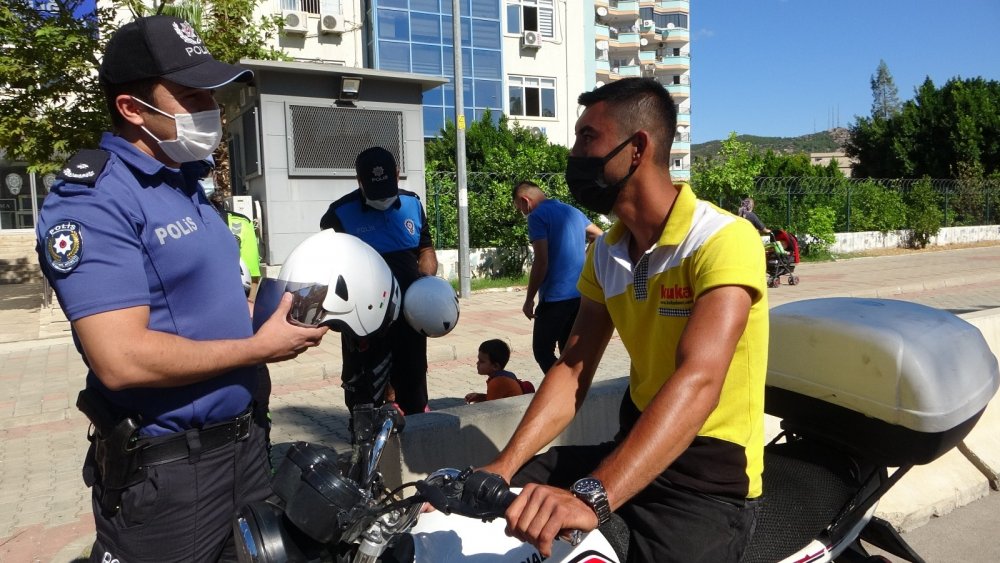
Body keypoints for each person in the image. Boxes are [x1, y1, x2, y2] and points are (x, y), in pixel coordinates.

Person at [34, 15, 328, 562]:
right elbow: (120, 359)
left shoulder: (185, 182)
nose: (209, 110)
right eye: (190, 95)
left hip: (244, 449)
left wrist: (265, 311)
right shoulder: (94, 201)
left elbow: (193, 301)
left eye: (210, 95)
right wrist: (258, 348)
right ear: (132, 109)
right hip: (171, 474)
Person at [482, 77, 769, 562]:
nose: (574, 154)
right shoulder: (607, 253)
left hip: (707, 479)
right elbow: (573, 369)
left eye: (587, 138)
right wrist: (503, 467)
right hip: (632, 446)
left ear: (636, 148)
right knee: (489, 506)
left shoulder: (722, 239)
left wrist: (593, 496)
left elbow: (698, 380)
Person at [320, 146, 438, 415]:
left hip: (410, 319)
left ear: (397, 175)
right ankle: (367, 451)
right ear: (359, 181)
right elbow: (329, 266)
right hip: (365, 326)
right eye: (373, 188)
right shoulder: (338, 215)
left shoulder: (412, 204)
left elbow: (425, 249)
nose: (382, 197)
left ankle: (414, 451)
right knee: (365, 402)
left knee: (414, 394)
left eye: (387, 185)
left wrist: (426, 280)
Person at [512, 181, 602, 375]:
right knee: (567, 352)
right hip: (579, 295)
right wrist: (585, 259)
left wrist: (529, 299)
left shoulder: (536, 216)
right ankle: (574, 392)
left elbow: (541, 261)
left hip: (555, 298)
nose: (523, 213)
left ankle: (560, 390)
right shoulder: (573, 212)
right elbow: (599, 236)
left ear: (525, 200)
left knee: (542, 351)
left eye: (520, 208)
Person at [465, 339, 526, 404]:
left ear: (495, 366)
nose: (477, 363)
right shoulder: (501, 377)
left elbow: (491, 408)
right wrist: (480, 397)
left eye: (482, 361)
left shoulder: (497, 382)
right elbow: (496, 399)